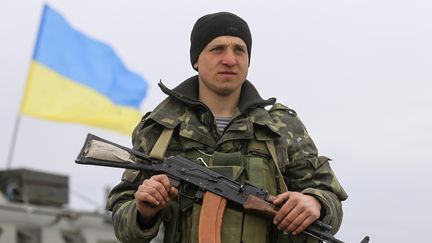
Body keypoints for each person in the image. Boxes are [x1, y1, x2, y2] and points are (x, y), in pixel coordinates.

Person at [107, 12, 348, 243]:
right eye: (217, 49)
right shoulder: (161, 129)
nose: (230, 60)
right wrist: (143, 211)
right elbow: (123, 224)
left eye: (239, 50)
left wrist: (315, 202)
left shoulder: (280, 127)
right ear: (196, 60)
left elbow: (330, 199)